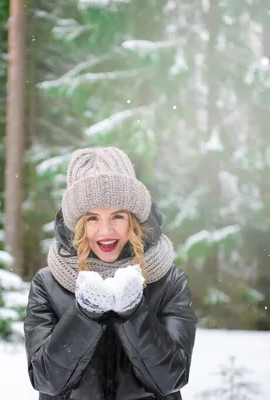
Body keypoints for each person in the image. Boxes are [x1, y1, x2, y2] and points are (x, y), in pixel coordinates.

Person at [24, 147, 197, 400]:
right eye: (92, 218)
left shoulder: (169, 281)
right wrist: (84, 313)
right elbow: (45, 379)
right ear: (77, 225)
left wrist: (134, 311)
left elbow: (172, 378)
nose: (105, 231)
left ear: (134, 220)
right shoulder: (47, 283)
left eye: (117, 216)